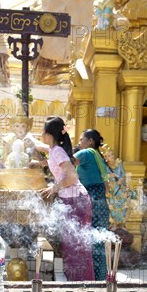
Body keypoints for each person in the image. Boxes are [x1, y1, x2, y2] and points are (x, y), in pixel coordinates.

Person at [35, 116, 95, 281]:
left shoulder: (58, 151)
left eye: (43, 132)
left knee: (77, 247)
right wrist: (39, 163)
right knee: (73, 246)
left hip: (76, 201)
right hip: (73, 200)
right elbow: (55, 164)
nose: (41, 135)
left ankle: (82, 287)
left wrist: (54, 188)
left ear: (49, 135)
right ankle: (78, 285)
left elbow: (72, 176)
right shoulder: (56, 150)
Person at [74, 129, 110, 280]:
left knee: (90, 241)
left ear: (90, 141)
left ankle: (92, 279)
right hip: (101, 204)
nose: (79, 142)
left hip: (92, 202)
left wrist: (41, 160)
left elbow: (66, 162)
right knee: (99, 242)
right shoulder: (98, 156)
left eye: (82, 139)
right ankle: (101, 278)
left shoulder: (86, 153)